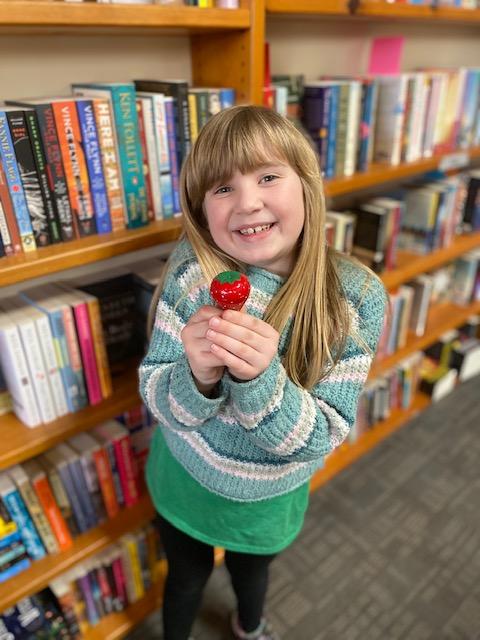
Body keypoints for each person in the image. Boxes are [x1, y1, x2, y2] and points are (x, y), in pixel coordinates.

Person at [139, 105, 387, 640]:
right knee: (184, 578)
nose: (248, 202)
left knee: (252, 576)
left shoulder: (355, 298)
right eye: (222, 188)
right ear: (200, 208)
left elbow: (324, 434)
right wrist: (196, 376)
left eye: (268, 177)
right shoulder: (192, 271)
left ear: (307, 186)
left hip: (267, 499)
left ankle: (248, 626)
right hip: (184, 478)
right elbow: (159, 398)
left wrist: (260, 380)